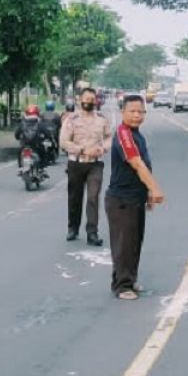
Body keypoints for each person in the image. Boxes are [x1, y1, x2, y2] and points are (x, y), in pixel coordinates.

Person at [105, 94, 165, 300]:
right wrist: (155, 188)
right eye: (132, 111)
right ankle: (122, 286)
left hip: (135, 197)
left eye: (141, 112)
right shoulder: (123, 134)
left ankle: (129, 280)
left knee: (134, 242)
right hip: (122, 199)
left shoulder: (138, 135)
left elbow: (145, 164)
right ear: (123, 112)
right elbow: (137, 164)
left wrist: (147, 191)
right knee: (124, 244)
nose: (137, 115)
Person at [61, 87, 112, 245]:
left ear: (96, 101)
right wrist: (82, 149)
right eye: (86, 99)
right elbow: (64, 142)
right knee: (75, 197)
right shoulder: (72, 120)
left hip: (94, 165)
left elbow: (109, 137)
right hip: (76, 162)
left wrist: (102, 148)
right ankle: (73, 228)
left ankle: (92, 232)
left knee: (92, 197)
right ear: (79, 100)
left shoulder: (102, 120)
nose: (89, 102)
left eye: (92, 100)